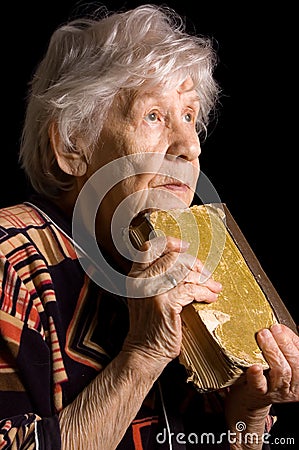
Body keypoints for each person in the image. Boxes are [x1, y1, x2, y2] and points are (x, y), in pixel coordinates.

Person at [0, 4, 298, 450]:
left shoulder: (188, 258)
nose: (190, 146)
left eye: (190, 116)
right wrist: (144, 353)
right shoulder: (9, 262)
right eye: (154, 116)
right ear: (70, 145)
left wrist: (248, 417)